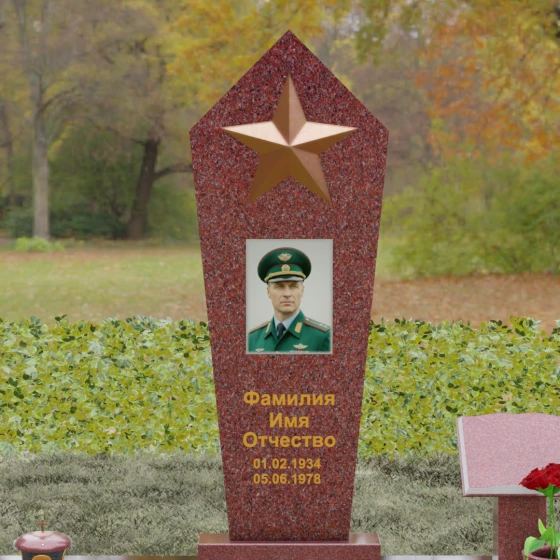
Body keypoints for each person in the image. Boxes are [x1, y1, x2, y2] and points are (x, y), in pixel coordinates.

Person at [248, 247, 331, 353]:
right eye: (279, 286)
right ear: (268, 292)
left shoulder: (322, 337)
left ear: (302, 290)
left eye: (294, 286)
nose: (287, 294)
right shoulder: (252, 339)